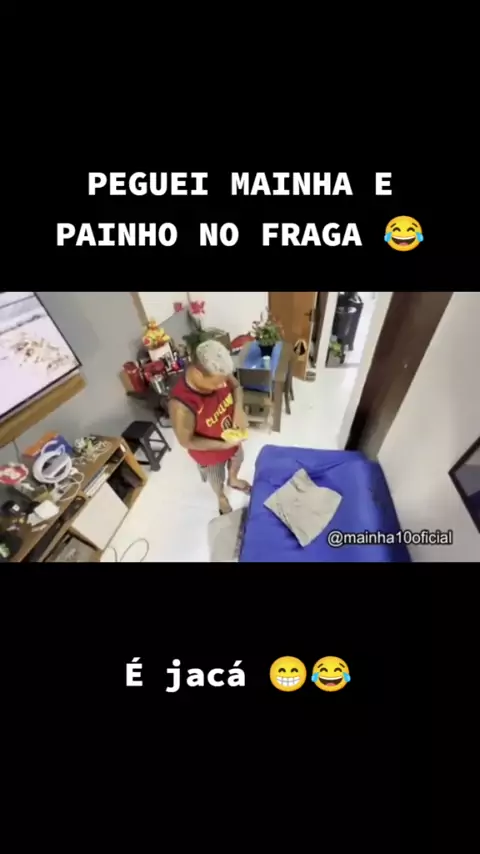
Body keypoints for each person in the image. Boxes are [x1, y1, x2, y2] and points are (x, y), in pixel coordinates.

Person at [168, 339, 251, 515]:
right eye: (216, 383)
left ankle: (233, 479)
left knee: (238, 459)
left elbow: (236, 386)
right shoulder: (181, 404)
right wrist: (223, 445)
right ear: (198, 374)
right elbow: (186, 441)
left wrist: (238, 410)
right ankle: (221, 497)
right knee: (216, 478)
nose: (222, 386)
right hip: (210, 454)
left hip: (231, 438)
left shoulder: (219, 373)